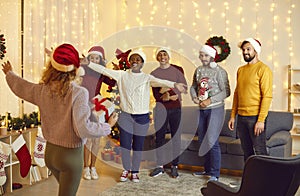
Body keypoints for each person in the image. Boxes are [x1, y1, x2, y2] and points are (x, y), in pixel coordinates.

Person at [1, 43, 118, 196]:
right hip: (70, 157)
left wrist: (10, 74)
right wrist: (107, 126)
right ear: (76, 68)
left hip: (50, 155)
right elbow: (84, 128)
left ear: (52, 66)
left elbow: (22, 87)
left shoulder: (42, 89)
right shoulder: (79, 93)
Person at [87, 49, 187, 183]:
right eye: (132, 59)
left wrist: (175, 85)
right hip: (126, 117)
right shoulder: (121, 75)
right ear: (129, 61)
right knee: (126, 145)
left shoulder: (147, 78)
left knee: (138, 146)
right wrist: (88, 63)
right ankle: (126, 170)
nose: (135, 61)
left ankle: (135, 172)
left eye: (138, 59)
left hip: (142, 118)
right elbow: (104, 71)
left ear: (142, 63)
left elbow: (161, 81)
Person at [190, 44, 230, 182]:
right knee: (203, 140)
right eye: (201, 55)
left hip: (215, 109)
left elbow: (226, 91)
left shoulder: (220, 71)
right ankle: (207, 169)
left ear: (212, 56)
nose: (203, 58)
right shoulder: (198, 70)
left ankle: (215, 174)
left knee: (212, 140)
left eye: (206, 55)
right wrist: (195, 98)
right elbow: (193, 87)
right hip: (201, 110)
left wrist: (210, 100)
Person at [228, 38, 273, 162]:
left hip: (255, 118)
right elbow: (237, 94)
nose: (245, 52)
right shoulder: (241, 70)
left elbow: (267, 96)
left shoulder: (264, 70)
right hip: (241, 118)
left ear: (256, 51)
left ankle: (266, 180)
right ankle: (249, 180)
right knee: (246, 151)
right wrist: (233, 116)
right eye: (243, 50)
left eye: (248, 49)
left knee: (260, 151)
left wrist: (261, 120)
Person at [149, 47, 187, 178]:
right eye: (160, 55)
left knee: (175, 137)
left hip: (175, 109)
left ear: (169, 56)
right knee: (159, 137)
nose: (162, 57)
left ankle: (174, 166)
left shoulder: (178, 70)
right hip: (160, 110)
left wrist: (166, 92)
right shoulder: (153, 73)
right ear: (157, 57)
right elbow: (156, 94)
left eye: (164, 54)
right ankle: (159, 166)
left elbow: (183, 87)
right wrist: (167, 93)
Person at [80, 46, 116, 181]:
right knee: (88, 138)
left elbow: (112, 82)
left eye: (97, 58)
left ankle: (93, 167)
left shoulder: (101, 73)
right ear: (88, 59)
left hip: (97, 104)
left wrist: (109, 70)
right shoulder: (83, 70)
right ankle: (85, 167)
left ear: (100, 60)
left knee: (96, 139)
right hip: (84, 104)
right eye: (92, 58)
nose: (94, 60)